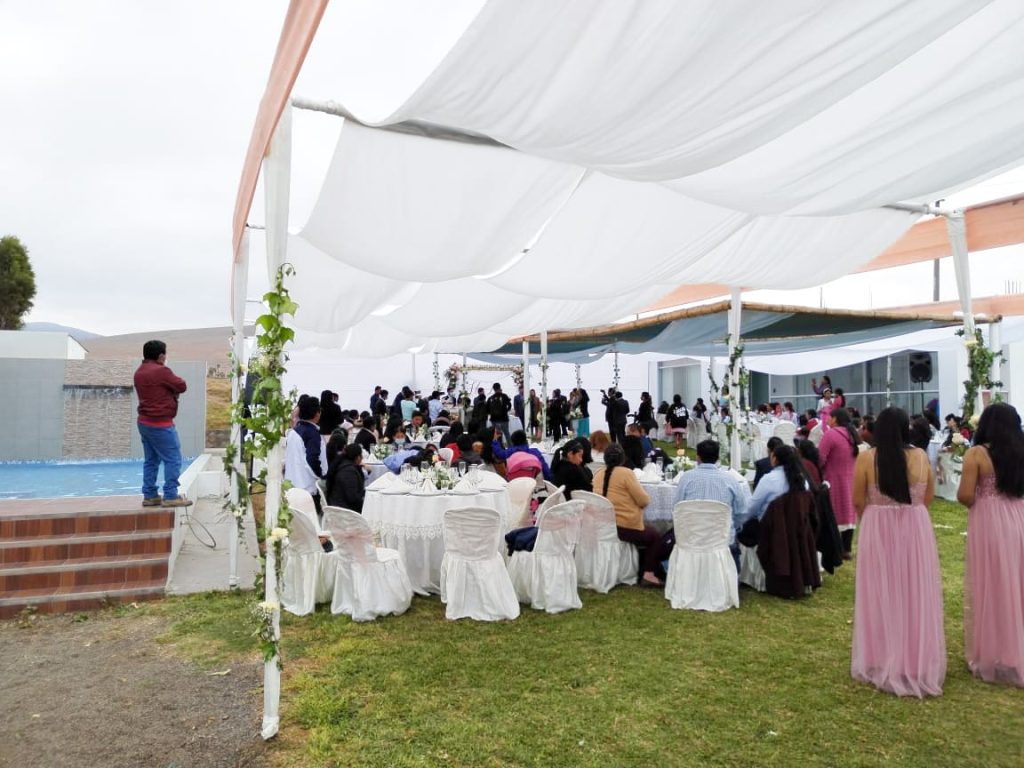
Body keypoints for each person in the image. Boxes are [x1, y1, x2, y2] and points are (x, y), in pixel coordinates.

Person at [851, 407, 944, 697]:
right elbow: (926, 498)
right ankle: (912, 655)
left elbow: (857, 500)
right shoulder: (919, 457)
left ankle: (882, 654)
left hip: (878, 527)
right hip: (914, 527)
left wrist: (878, 516)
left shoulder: (867, 458)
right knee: (913, 590)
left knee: (880, 589)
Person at [956, 402, 1024, 688]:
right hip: (1019, 517)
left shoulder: (977, 454)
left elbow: (965, 495)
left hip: (990, 523)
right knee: (1017, 581)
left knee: (992, 583)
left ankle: (992, 651)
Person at [593, 444, 664, 587]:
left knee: (649, 533)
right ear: (622, 459)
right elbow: (643, 500)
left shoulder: (598, 473)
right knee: (654, 536)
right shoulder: (626, 473)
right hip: (623, 526)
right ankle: (648, 574)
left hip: (603, 525)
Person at [134, 340, 191, 508]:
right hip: (161, 424)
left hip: (143, 422)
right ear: (161, 356)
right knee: (173, 459)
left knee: (151, 460)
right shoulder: (161, 371)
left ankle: (150, 495)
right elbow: (182, 385)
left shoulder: (139, 372)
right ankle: (170, 495)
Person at [675, 439, 745, 570]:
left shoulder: (686, 478)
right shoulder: (731, 480)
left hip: (692, 536)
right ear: (718, 458)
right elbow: (741, 512)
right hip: (721, 539)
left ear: (697, 457)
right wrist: (731, 526)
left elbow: (677, 508)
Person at [818, 407, 860, 559]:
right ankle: (846, 548)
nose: (827, 419)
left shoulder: (831, 434)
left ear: (835, 419)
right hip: (851, 477)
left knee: (833, 511)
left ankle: (834, 548)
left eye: (829, 417)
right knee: (849, 511)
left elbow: (820, 458)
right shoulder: (852, 434)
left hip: (833, 478)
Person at [284, 395, 325, 517]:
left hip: (291, 486)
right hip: (307, 489)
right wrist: (321, 474)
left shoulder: (293, 432)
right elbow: (312, 460)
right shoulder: (311, 433)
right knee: (312, 525)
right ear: (317, 413)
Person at [325, 444, 366, 513]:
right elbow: (352, 498)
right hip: (344, 510)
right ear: (358, 457)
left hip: (339, 504)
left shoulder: (343, 464)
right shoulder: (348, 472)